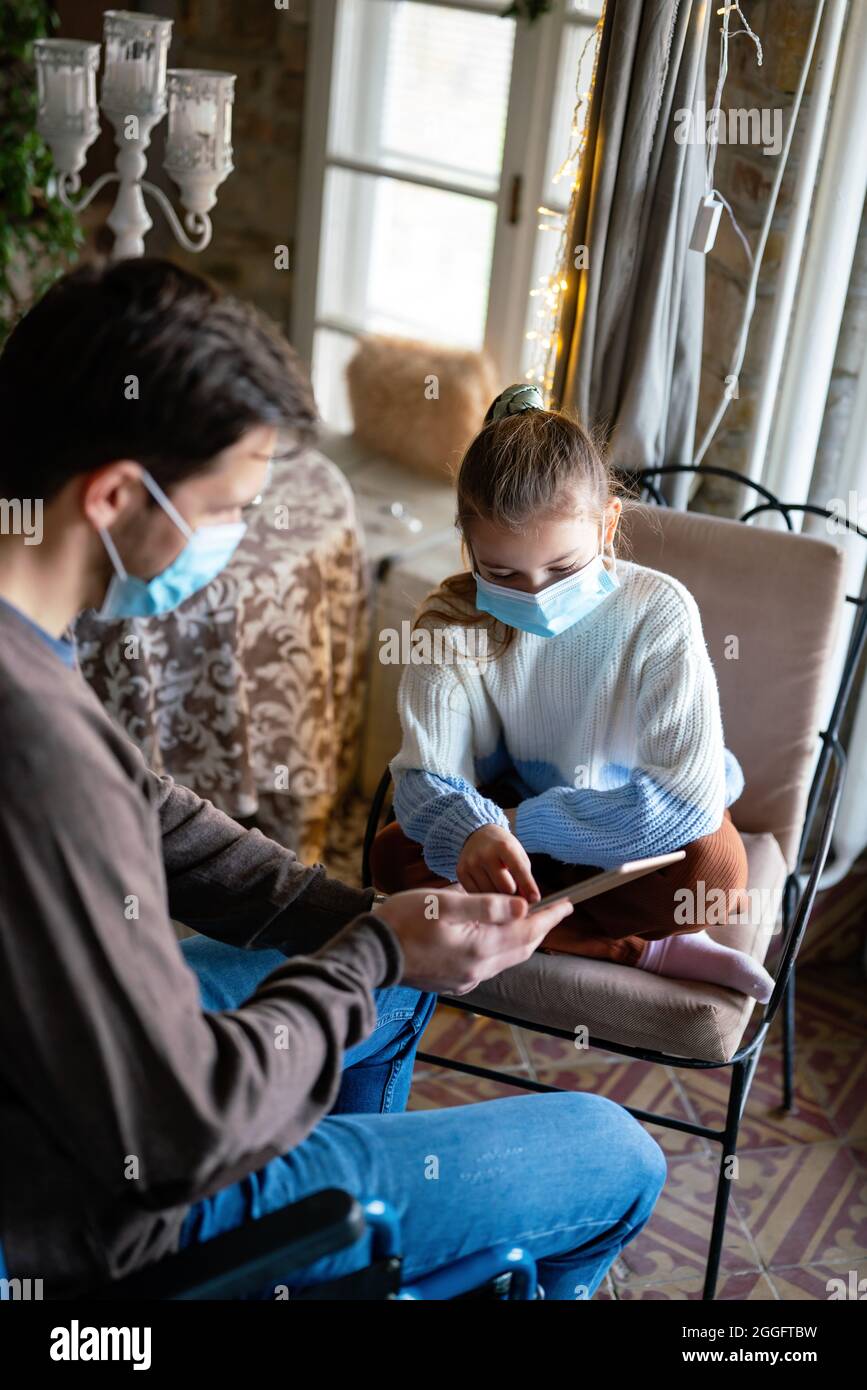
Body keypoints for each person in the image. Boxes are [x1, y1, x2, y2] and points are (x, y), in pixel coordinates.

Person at [0, 262, 666, 1301]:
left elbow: (152, 812)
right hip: (100, 1212)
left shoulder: (28, 638)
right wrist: (372, 951)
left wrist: (371, 919)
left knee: (389, 993)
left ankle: (333, 1266)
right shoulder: (34, 741)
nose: (234, 536)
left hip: (70, 1088)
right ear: (118, 494)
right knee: (616, 1153)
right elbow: (178, 1130)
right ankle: (283, 1249)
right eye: (229, 506)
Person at [374, 384, 774, 1003]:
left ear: (608, 523)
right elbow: (424, 778)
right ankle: (637, 948)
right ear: (469, 546)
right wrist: (477, 832)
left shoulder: (658, 611)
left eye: (562, 570)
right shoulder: (449, 623)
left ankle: (585, 932)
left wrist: (515, 827)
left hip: (622, 824)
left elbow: (684, 803)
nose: (533, 594)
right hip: (513, 822)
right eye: (501, 574)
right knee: (393, 860)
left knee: (714, 873)